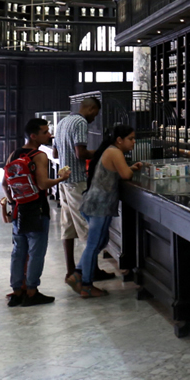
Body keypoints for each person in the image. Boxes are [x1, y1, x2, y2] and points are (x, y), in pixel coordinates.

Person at [4, 118, 70, 307]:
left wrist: (13, 202)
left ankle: (17, 291)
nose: (49, 135)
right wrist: (61, 178)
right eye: (45, 132)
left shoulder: (14, 154)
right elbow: (42, 184)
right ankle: (32, 291)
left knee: (18, 251)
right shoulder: (39, 156)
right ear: (33, 136)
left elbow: (4, 184)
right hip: (37, 209)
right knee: (36, 252)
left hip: (19, 209)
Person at [72, 124, 143, 298]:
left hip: (95, 203)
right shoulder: (115, 152)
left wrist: (131, 168)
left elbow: (118, 172)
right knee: (94, 244)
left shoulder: (110, 150)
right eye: (130, 139)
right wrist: (130, 170)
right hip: (100, 205)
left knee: (100, 241)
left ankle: (77, 274)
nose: (133, 142)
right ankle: (86, 285)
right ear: (119, 140)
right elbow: (125, 175)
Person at [53, 98, 116, 285]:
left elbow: (55, 154)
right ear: (91, 108)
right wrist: (103, 152)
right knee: (89, 228)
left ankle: (70, 270)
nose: (94, 117)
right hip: (77, 181)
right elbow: (80, 153)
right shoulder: (80, 122)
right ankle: (89, 272)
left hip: (64, 181)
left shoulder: (63, 121)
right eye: (95, 113)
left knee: (68, 226)